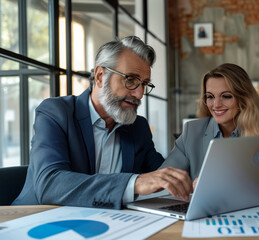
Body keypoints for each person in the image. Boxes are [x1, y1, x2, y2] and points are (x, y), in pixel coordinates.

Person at [12, 36, 193, 208]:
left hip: (106, 225)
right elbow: (50, 185)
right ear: (100, 76)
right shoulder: (56, 113)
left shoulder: (138, 127)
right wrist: (134, 183)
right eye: (130, 80)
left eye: (144, 84)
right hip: (37, 222)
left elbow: (162, 174)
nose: (138, 94)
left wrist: (193, 178)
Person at [160, 63, 259, 201]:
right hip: (205, 217)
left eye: (226, 96)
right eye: (210, 96)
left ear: (243, 98)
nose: (216, 105)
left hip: (254, 216)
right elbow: (162, 183)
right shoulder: (192, 132)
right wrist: (191, 190)